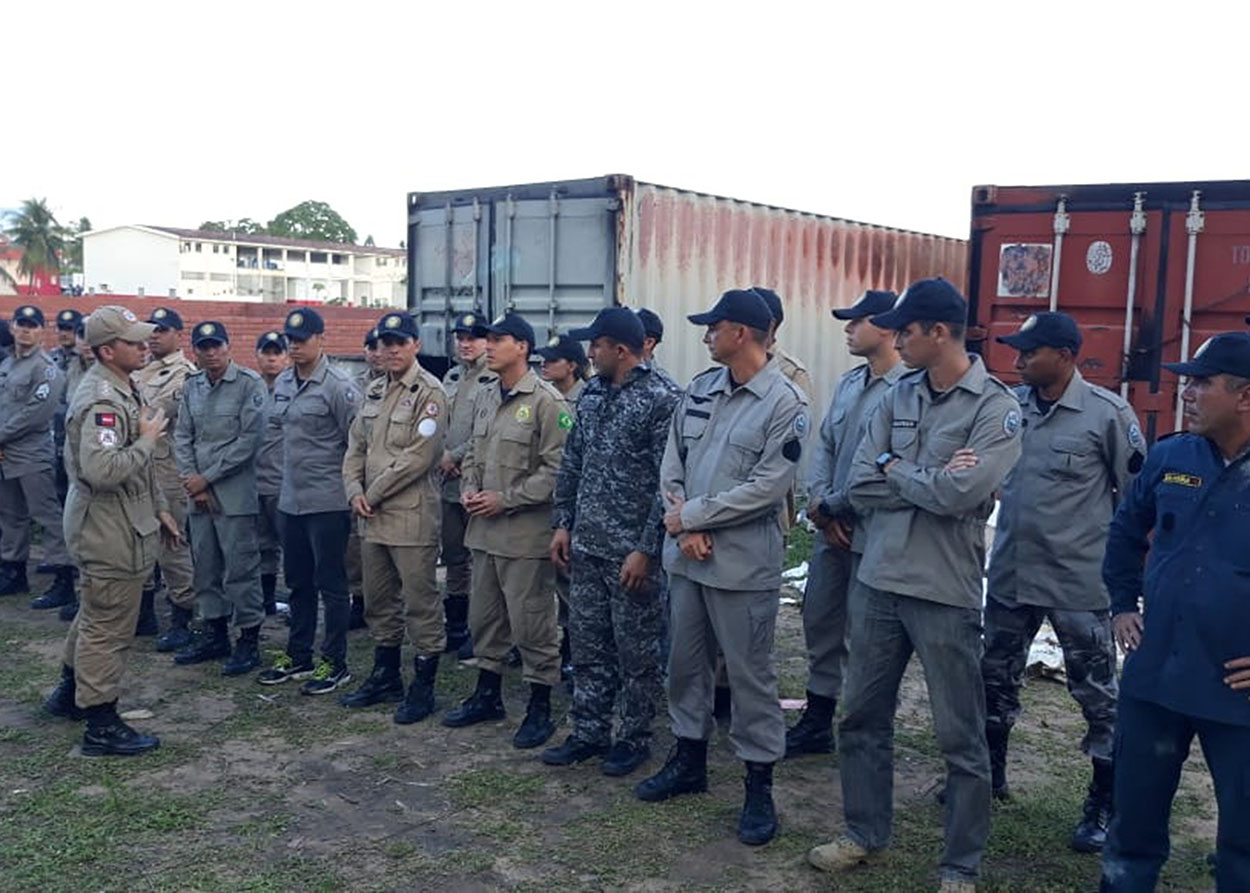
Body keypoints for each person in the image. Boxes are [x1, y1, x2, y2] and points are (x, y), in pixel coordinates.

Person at [809, 278, 1022, 891]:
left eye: (906, 329)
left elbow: (963, 494)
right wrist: (917, 478)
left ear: (939, 332)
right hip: (877, 578)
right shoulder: (896, 393)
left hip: (943, 591)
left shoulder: (993, 407)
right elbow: (858, 483)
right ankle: (864, 831)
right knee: (861, 717)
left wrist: (894, 468)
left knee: (959, 736)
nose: (896, 339)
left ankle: (959, 866)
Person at [636, 288, 809, 848]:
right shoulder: (700, 389)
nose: (707, 335)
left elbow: (768, 486)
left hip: (741, 564)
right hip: (688, 560)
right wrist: (681, 521)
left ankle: (759, 784)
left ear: (741, 333)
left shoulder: (786, 403)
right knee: (685, 666)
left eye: (715, 326)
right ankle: (689, 761)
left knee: (751, 676)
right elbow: (672, 462)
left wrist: (694, 518)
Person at [981, 312, 1143, 853]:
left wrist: (1126, 582)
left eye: (1031, 352)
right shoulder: (1007, 409)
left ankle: (1103, 803)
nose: (1019, 360)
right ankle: (990, 779)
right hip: (1011, 577)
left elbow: (1136, 500)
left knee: (1098, 698)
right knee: (994, 683)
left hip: (1078, 584)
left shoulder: (1107, 415)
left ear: (1066, 355)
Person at [1099, 332, 1250, 892]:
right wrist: (1120, 604)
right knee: (1132, 830)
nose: (1186, 393)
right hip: (1156, 679)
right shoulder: (1170, 456)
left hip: (1237, 694)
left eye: (1202, 383)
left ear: (1245, 397)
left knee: (1243, 844)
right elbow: (1122, 534)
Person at [543, 308, 680, 776]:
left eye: (595, 345)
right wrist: (563, 523)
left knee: (636, 652)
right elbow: (573, 462)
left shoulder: (663, 399)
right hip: (587, 545)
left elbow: (669, 485)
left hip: (631, 555)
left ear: (620, 349)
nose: (589, 353)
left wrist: (646, 549)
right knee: (587, 644)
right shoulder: (594, 393)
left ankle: (634, 736)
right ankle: (588, 730)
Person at [40, 306, 182, 756]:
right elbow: (103, 470)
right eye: (133, 341)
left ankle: (69, 693)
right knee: (108, 627)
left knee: (94, 611)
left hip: (122, 520)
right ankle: (100, 722)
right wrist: (146, 440)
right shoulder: (103, 399)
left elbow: (137, 472)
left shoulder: (124, 386)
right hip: (108, 527)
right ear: (107, 350)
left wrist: (159, 507)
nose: (144, 346)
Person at [442, 312, 569, 749]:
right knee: (485, 620)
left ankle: (539, 706)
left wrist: (506, 498)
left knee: (531, 623)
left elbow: (557, 472)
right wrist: (471, 487)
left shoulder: (548, 402)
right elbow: (474, 452)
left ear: (523, 348)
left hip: (524, 536)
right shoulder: (485, 395)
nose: (489, 346)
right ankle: (487, 695)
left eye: (499, 339)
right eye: (487, 340)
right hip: (484, 532)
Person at [786, 290, 904, 758]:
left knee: (869, 634)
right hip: (832, 527)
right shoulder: (850, 383)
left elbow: (888, 467)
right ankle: (818, 716)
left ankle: (865, 725)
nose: (848, 328)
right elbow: (828, 448)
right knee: (821, 619)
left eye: (857, 321)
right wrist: (819, 504)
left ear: (888, 327)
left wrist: (839, 508)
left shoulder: (909, 389)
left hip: (874, 531)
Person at [340, 311, 448, 723]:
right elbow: (355, 449)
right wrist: (353, 490)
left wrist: (372, 492)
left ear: (416, 345)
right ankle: (386, 676)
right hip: (371, 517)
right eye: (384, 343)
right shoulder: (373, 391)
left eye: (399, 343)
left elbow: (419, 458)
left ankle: (424, 685)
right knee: (379, 600)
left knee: (419, 602)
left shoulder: (430, 392)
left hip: (410, 517)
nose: (390, 350)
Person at [257, 308, 359, 695]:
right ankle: (298, 654)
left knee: (331, 584)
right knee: (297, 582)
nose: (294, 346)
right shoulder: (283, 380)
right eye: (290, 340)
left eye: (302, 339)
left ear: (321, 339)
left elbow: (355, 442)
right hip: (291, 499)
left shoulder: (338, 385)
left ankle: (335, 661)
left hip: (327, 500)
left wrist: (353, 490)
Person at [172, 321, 267, 675]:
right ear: (195, 351)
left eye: (216, 345)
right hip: (198, 495)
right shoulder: (192, 386)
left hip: (234, 493)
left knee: (241, 568)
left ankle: (249, 639)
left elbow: (249, 441)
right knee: (205, 567)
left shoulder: (248, 385)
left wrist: (206, 479)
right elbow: (182, 436)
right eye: (203, 347)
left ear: (228, 347)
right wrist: (192, 482)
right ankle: (214, 633)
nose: (210, 352)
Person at [0, 304, 75, 608]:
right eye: (22, 324)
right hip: (6, 455)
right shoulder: (7, 365)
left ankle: (63, 576)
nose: (26, 330)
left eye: (33, 325)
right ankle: (13, 569)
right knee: (10, 514)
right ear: (13, 328)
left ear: (42, 330)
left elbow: (36, 413)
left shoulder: (46, 368)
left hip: (31, 454)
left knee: (47, 516)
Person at [134, 307, 197, 645]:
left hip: (168, 471)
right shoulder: (143, 369)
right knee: (140, 541)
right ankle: (144, 614)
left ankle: (183, 616)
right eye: (151, 330)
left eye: (162, 329)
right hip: (140, 468)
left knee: (172, 544)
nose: (154, 335)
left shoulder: (183, 373)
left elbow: (153, 413)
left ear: (178, 335)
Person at [535, 332, 591, 678]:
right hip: (554, 505)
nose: (544, 364)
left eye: (552, 360)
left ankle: (576, 651)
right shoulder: (546, 399)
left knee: (573, 585)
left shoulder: (585, 399)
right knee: (556, 580)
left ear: (572, 365)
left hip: (580, 508)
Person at [439, 312, 494, 659]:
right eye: (460, 336)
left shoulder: (492, 378)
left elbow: (485, 432)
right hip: (447, 484)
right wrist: (440, 456)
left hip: (475, 481)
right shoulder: (452, 376)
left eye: (473, 336)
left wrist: (454, 456)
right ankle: (456, 625)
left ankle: (481, 629)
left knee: (480, 560)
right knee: (454, 557)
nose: (465, 343)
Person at [346, 327, 385, 630]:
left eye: (380, 346)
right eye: (370, 346)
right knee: (356, 546)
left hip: (393, 482)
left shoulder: (420, 388)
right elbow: (350, 438)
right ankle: (359, 600)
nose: (375, 352)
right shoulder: (355, 388)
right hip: (361, 479)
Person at [254, 331, 288, 615]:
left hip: (284, 483)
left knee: (292, 547)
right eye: (267, 353)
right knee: (262, 546)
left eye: (277, 353)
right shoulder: (250, 390)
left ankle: (301, 603)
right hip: (254, 482)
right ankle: (266, 601)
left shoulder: (294, 389)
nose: (272, 358)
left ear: (286, 358)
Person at [50, 309, 83, 505]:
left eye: (69, 329)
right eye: (61, 328)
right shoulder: (50, 359)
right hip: (53, 434)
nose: (64, 334)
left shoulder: (85, 363)